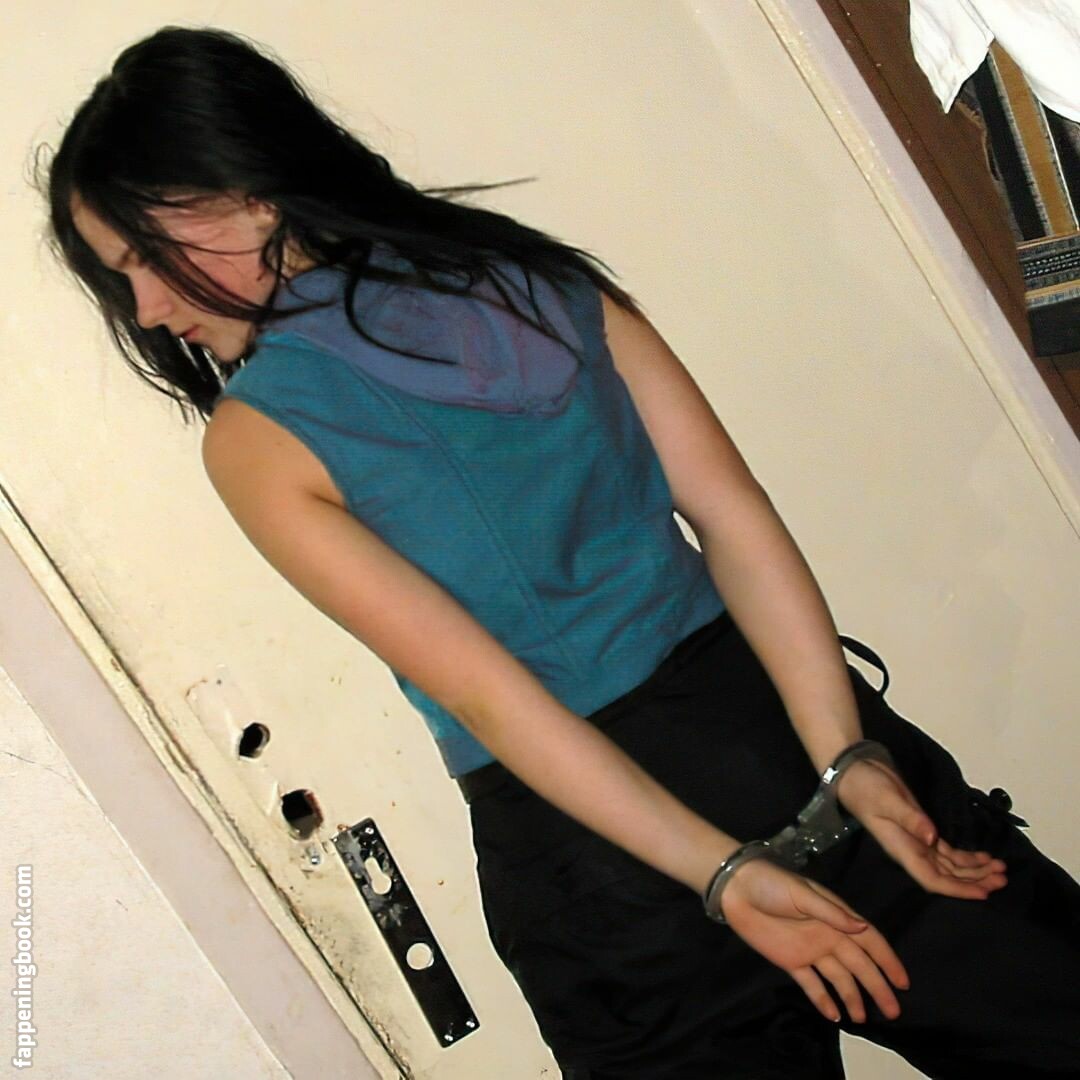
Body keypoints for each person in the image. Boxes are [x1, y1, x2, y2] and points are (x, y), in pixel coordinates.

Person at [38, 25, 1080, 1079]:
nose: (149, 310)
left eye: (145, 257)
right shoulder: (534, 278)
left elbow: (496, 699)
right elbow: (734, 516)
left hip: (602, 869)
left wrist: (720, 875)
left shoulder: (259, 439)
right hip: (775, 726)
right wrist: (845, 756)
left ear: (247, 193)